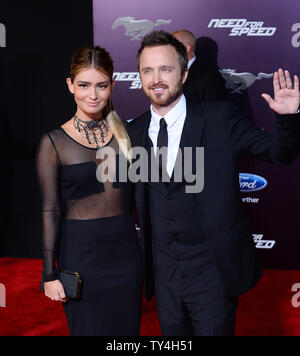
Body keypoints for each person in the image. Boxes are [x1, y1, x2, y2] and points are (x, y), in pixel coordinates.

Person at [127, 30, 300, 336]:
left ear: (184, 72)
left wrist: (288, 118)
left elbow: (279, 153)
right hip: (164, 274)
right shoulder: (135, 132)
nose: (156, 78)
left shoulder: (219, 118)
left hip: (212, 271)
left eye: (165, 69)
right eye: (147, 70)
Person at [36, 46, 143, 336]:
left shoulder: (128, 135)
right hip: (81, 259)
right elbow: (50, 209)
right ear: (70, 85)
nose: (92, 95)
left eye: (101, 85)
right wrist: (49, 273)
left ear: (112, 86)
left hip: (126, 257)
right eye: (84, 85)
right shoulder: (54, 142)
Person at [172, 30, 228, 102]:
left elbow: (216, 109)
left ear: (186, 48)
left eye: (172, 46)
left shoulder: (209, 77)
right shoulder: (168, 72)